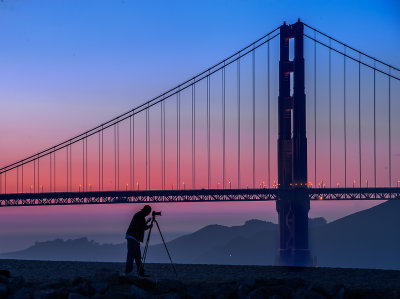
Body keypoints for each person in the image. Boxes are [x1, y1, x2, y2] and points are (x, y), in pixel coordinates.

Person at [125, 205, 152, 277]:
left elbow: (142, 227)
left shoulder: (140, 215)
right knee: (131, 255)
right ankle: (128, 272)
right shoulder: (139, 215)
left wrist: (148, 224)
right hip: (132, 237)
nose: (148, 214)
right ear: (146, 211)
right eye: (148, 212)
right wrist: (148, 223)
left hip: (135, 238)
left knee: (137, 256)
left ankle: (140, 272)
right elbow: (141, 226)